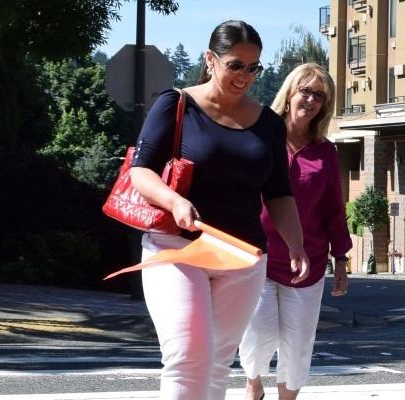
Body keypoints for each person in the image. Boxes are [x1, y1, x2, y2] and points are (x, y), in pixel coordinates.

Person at [129, 20, 310, 400]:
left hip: (241, 256)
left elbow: (279, 192)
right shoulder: (176, 104)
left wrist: (295, 244)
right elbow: (140, 171)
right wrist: (175, 201)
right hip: (175, 247)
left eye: (253, 67)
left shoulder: (269, 125)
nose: (244, 76)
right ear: (210, 60)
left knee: (217, 361)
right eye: (235, 65)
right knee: (188, 353)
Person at [237, 63, 350, 400]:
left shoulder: (325, 151)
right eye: (306, 90)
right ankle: (253, 383)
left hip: (308, 263)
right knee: (258, 335)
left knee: (298, 344)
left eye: (320, 96)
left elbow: (333, 209)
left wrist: (340, 260)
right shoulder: (259, 136)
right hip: (256, 256)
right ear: (289, 93)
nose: (311, 99)